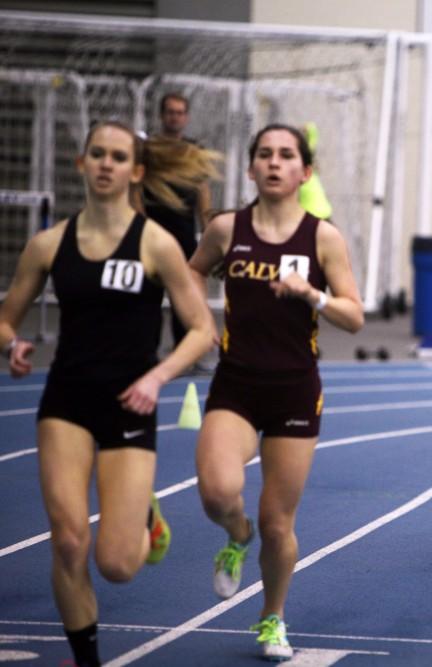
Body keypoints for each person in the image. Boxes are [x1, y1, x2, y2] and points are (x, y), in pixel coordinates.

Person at [0, 120, 217, 667]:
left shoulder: (157, 244)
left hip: (130, 404)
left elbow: (200, 331)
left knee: (118, 564)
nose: (105, 164)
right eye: (96, 154)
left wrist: (156, 378)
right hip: (66, 403)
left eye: (118, 157)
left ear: (135, 172)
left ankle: (145, 517)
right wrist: (13, 347)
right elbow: (6, 320)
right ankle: (87, 659)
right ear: (81, 163)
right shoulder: (49, 244)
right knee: (69, 541)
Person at [189, 123, 364, 660]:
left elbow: (354, 316)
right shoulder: (225, 228)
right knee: (217, 493)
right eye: (264, 154)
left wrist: (311, 294)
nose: (273, 162)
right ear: (250, 168)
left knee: (278, 521)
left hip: (293, 388)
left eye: (286, 155)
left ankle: (272, 618)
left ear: (303, 172)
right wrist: (200, 323)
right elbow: (191, 274)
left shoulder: (322, 237)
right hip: (235, 383)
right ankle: (235, 535)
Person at [143, 92, 214, 362]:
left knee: (183, 296)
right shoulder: (149, 148)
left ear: (186, 117)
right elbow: (136, 187)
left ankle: (185, 353)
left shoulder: (193, 151)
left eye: (180, 112)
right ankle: (146, 352)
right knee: (147, 298)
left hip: (183, 234)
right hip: (151, 234)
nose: (175, 117)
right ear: (162, 115)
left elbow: (202, 189)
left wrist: (207, 226)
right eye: (170, 112)